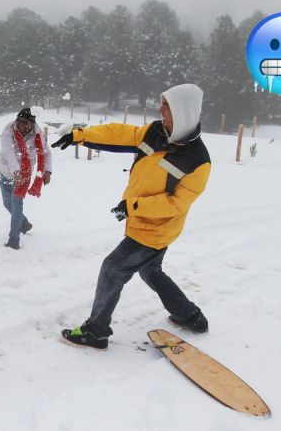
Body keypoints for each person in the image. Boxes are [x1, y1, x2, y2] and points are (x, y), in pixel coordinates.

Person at [51, 84, 210, 348]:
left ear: (183, 112)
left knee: (113, 269)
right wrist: (81, 135)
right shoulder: (155, 132)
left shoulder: (198, 160)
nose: (162, 111)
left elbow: (176, 204)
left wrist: (133, 207)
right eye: (162, 104)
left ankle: (96, 331)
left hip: (156, 229)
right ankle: (191, 316)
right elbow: (120, 134)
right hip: (140, 221)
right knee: (150, 271)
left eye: (168, 107)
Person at [0, 107, 52, 250]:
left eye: (25, 122)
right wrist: (16, 171)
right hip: (6, 172)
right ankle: (24, 223)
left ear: (31, 123)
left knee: (16, 205)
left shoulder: (38, 134)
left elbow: (46, 153)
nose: (20, 124)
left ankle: (14, 240)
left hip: (24, 175)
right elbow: (8, 152)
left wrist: (47, 171)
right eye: (19, 120)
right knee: (7, 204)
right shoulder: (9, 130)